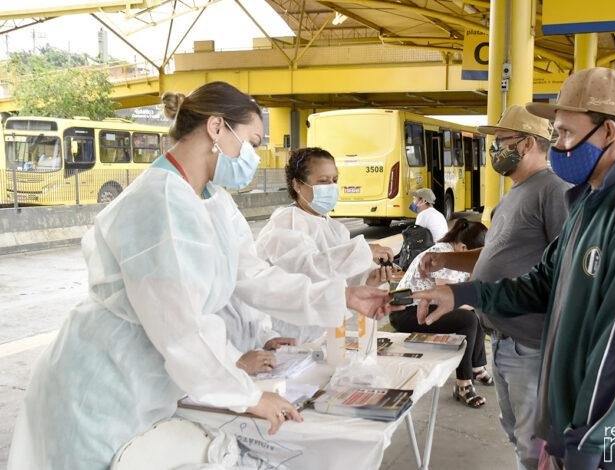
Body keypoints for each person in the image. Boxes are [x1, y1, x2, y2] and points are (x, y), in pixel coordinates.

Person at [7, 81, 395, 470]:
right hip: (101, 389)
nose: (255, 159)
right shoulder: (161, 202)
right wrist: (248, 396)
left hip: (147, 383)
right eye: (253, 143)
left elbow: (254, 276)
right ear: (216, 128)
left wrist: (340, 297)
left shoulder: (212, 200)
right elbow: (181, 324)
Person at [413, 67, 615, 469]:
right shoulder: (591, 201)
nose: (556, 144)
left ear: (608, 132)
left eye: (564, 133)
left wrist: (581, 444)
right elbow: (545, 281)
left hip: (612, 434)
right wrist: (463, 293)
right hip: (575, 416)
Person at [419, 104, 569, 469]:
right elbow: (494, 255)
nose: (494, 150)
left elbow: (563, 270)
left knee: (538, 449)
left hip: (532, 346)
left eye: (501, 141)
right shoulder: (513, 195)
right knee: (518, 435)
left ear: (528, 143)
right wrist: (446, 260)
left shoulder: (552, 190)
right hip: (502, 340)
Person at [253, 147, 396, 343]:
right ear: (297, 184)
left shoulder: (334, 228)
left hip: (324, 334)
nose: (330, 187)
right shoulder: (286, 222)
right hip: (286, 335)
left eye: (334, 180)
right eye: (322, 181)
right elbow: (309, 269)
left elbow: (338, 281)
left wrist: (369, 278)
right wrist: (364, 251)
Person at [390, 218, 492, 408]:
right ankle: (463, 383)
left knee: (475, 314)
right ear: (463, 248)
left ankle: (477, 367)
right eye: (476, 254)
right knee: (468, 318)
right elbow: (451, 298)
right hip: (407, 312)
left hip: (428, 306)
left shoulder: (455, 253)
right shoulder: (442, 254)